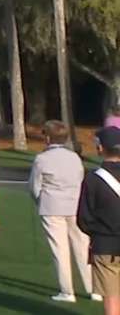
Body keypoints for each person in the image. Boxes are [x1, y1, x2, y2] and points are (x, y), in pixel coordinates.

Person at [32, 120, 97, 303]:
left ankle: (67, 291)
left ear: (46, 138)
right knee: (83, 246)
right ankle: (93, 288)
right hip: (75, 206)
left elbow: (35, 187)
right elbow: (80, 179)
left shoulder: (41, 159)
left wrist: (40, 200)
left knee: (60, 249)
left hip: (52, 207)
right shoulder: (74, 157)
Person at [78, 125, 120, 314]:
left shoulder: (93, 179)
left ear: (100, 148)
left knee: (111, 298)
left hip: (105, 243)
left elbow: (84, 219)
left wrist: (98, 232)